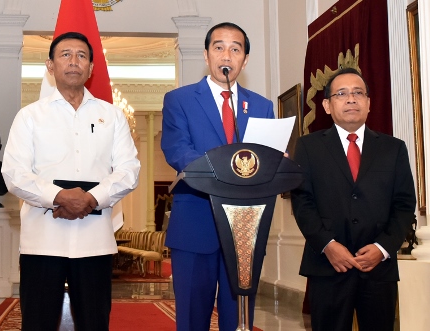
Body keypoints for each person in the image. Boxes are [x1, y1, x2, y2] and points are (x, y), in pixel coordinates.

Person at [1, 31, 140, 331]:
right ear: (50, 67)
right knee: (37, 323)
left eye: (81, 55)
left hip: (94, 242)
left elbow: (129, 170)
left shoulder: (112, 116)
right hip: (42, 241)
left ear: (91, 68)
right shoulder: (29, 117)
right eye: (65, 55)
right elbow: (14, 173)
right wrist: (59, 197)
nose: (73, 61)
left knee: (94, 323)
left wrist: (91, 199)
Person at [160, 22, 274, 331]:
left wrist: (276, 162)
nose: (227, 55)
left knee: (238, 320)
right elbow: (177, 150)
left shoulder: (262, 107)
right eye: (219, 47)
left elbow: (265, 160)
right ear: (207, 55)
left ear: (245, 59)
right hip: (196, 223)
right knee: (192, 318)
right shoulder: (179, 100)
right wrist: (225, 171)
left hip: (246, 228)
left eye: (236, 49)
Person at [291, 68, 416, 331]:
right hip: (327, 266)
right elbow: (303, 202)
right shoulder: (308, 147)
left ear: (369, 103)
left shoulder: (393, 148)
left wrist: (382, 248)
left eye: (358, 93)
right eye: (342, 94)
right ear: (326, 105)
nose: (351, 99)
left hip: (378, 269)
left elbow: (404, 205)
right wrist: (328, 245)